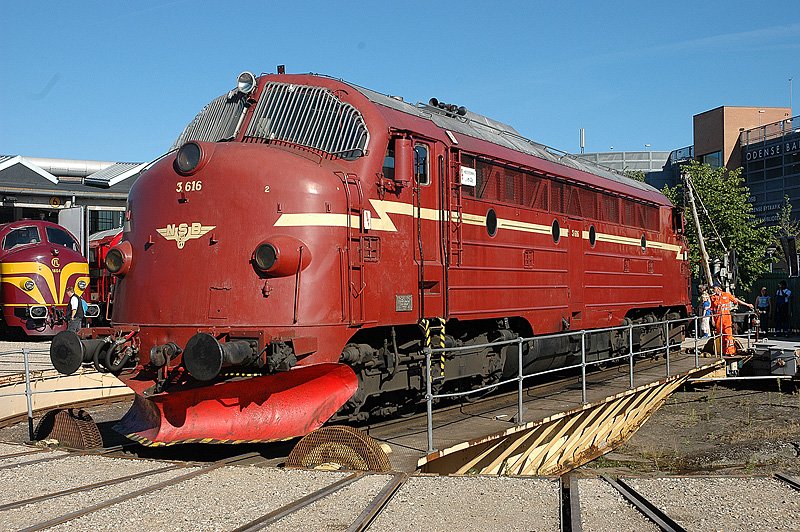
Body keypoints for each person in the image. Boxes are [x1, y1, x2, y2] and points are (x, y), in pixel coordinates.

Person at [710, 282, 754, 356]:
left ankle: (731, 351)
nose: (713, 290)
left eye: (714, 288)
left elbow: (736, 300)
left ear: (718, 288)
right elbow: (711, 310)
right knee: (721, 336)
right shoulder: (712, 298)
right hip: (718, 320)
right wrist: (712, 320)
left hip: (726, 320)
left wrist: (747, 304)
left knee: (728, 336)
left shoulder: (726, 295)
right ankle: (723, 352)